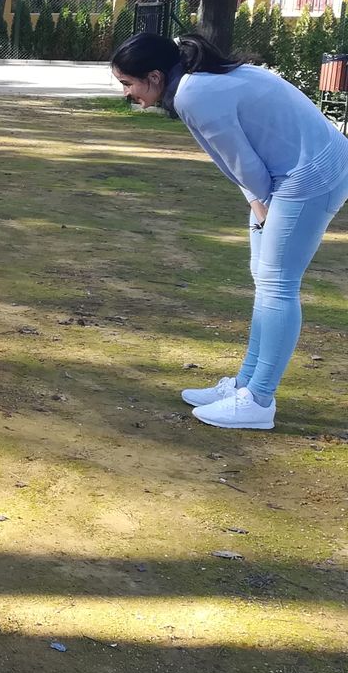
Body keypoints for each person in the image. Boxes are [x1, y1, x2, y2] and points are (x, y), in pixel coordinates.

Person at [111, 31, 348, 429]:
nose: (126, 94)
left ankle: (258, 401)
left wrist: (264, 200)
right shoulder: (192, 85)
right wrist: (258, 203)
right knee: (265, 279)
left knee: (277, 284)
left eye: (127, 84)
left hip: (311, 174)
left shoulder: (193, 93)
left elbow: (243, 162)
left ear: (153, 76)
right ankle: (245, 385)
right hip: (288, 173)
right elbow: (235, 157)